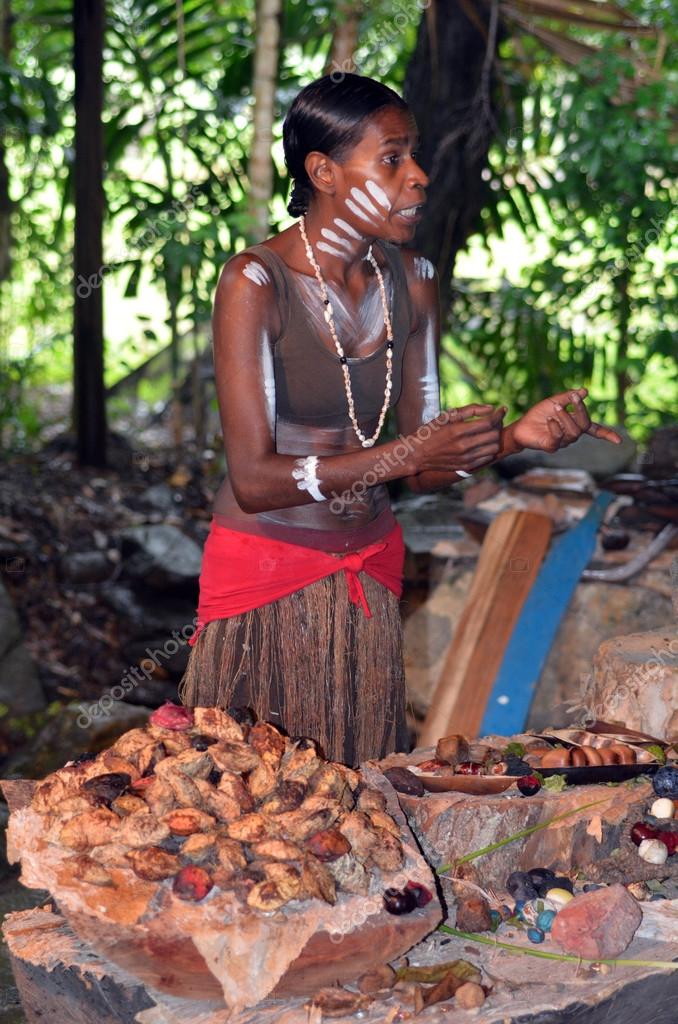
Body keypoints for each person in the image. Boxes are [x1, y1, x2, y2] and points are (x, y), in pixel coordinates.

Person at [178, 73, 621, 765]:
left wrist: (513, 439)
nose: (416, 178)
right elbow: (257, 481)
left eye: (413, 156)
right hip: (268, 572)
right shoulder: (255, 282)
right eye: (391, 159)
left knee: (358, 792)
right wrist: (408, 454)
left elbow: (425, 469)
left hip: (371, 570)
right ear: (323, 171)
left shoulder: (413, 280)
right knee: (254, 795)